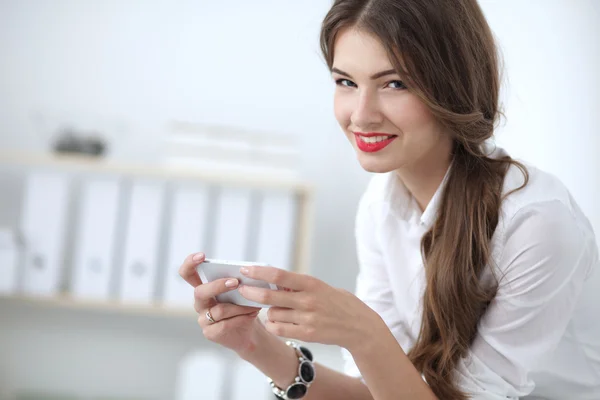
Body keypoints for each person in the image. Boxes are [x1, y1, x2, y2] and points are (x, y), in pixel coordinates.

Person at [178, 0, 600, 399]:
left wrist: (363, 331)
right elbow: (384, 391)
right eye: (346, 82)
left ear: (453, 88)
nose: (361, 115)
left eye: (394, 83)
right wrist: (256, 345)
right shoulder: (382, 203)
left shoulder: (536, 225)